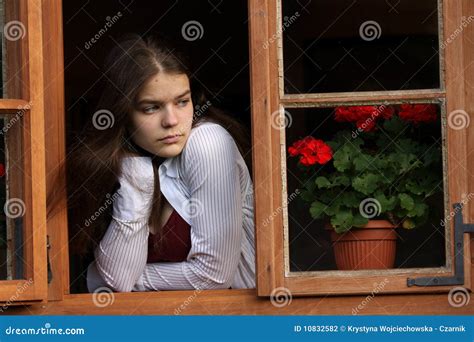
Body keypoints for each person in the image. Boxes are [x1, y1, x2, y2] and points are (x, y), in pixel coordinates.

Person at [53, 34, 255, 292]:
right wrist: (137, 180)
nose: (172, 120)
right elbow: (120, 280)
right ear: (122, 114)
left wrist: (98, 277)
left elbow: (213, 277)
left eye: (182, 101)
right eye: (151, 108)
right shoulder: (129, 165)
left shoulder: (208, 142)